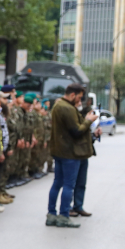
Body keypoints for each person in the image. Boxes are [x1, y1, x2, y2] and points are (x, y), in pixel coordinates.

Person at [47, 83, 97, 228]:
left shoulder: (58, 105)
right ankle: (63, 216)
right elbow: (76, 131)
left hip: (60, 151)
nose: (80, 100)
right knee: (69, 185)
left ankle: (51, 214)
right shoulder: (67, 108)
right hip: (70, 153)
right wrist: (88, 121)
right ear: (73, 95)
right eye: (79, 97)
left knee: (57, 183)